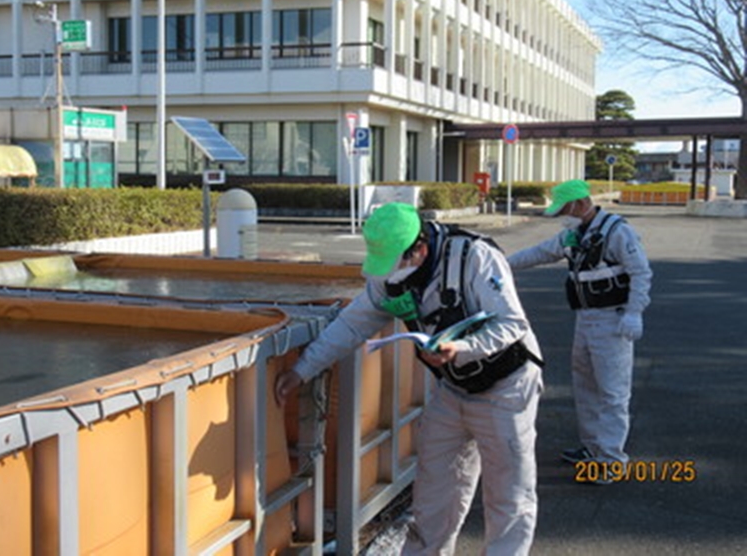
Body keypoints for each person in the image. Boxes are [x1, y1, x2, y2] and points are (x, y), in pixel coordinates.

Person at [275, 202, 544, 555]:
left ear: (419, 248)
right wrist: (301, 370)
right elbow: (353, 323)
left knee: (508, 495)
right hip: (452, 387)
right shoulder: (389, 279)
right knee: (434, 493)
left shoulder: (474, 257)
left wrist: (461, 347)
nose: (388, 277)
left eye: (394, 265)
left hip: (507, 385)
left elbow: (511, 323)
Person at [506, 179, 652, 475]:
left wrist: (635, 312)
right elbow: (540, 253)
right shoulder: (576, 233)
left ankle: (610, 460)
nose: (562, 216)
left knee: (613, 391)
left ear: (582, 204)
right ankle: (593, 446)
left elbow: (641, 272)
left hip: (614, 318)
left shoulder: (617, 231)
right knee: (585, 384)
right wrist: (500, 263)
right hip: (585, 318)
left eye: (565, 210)